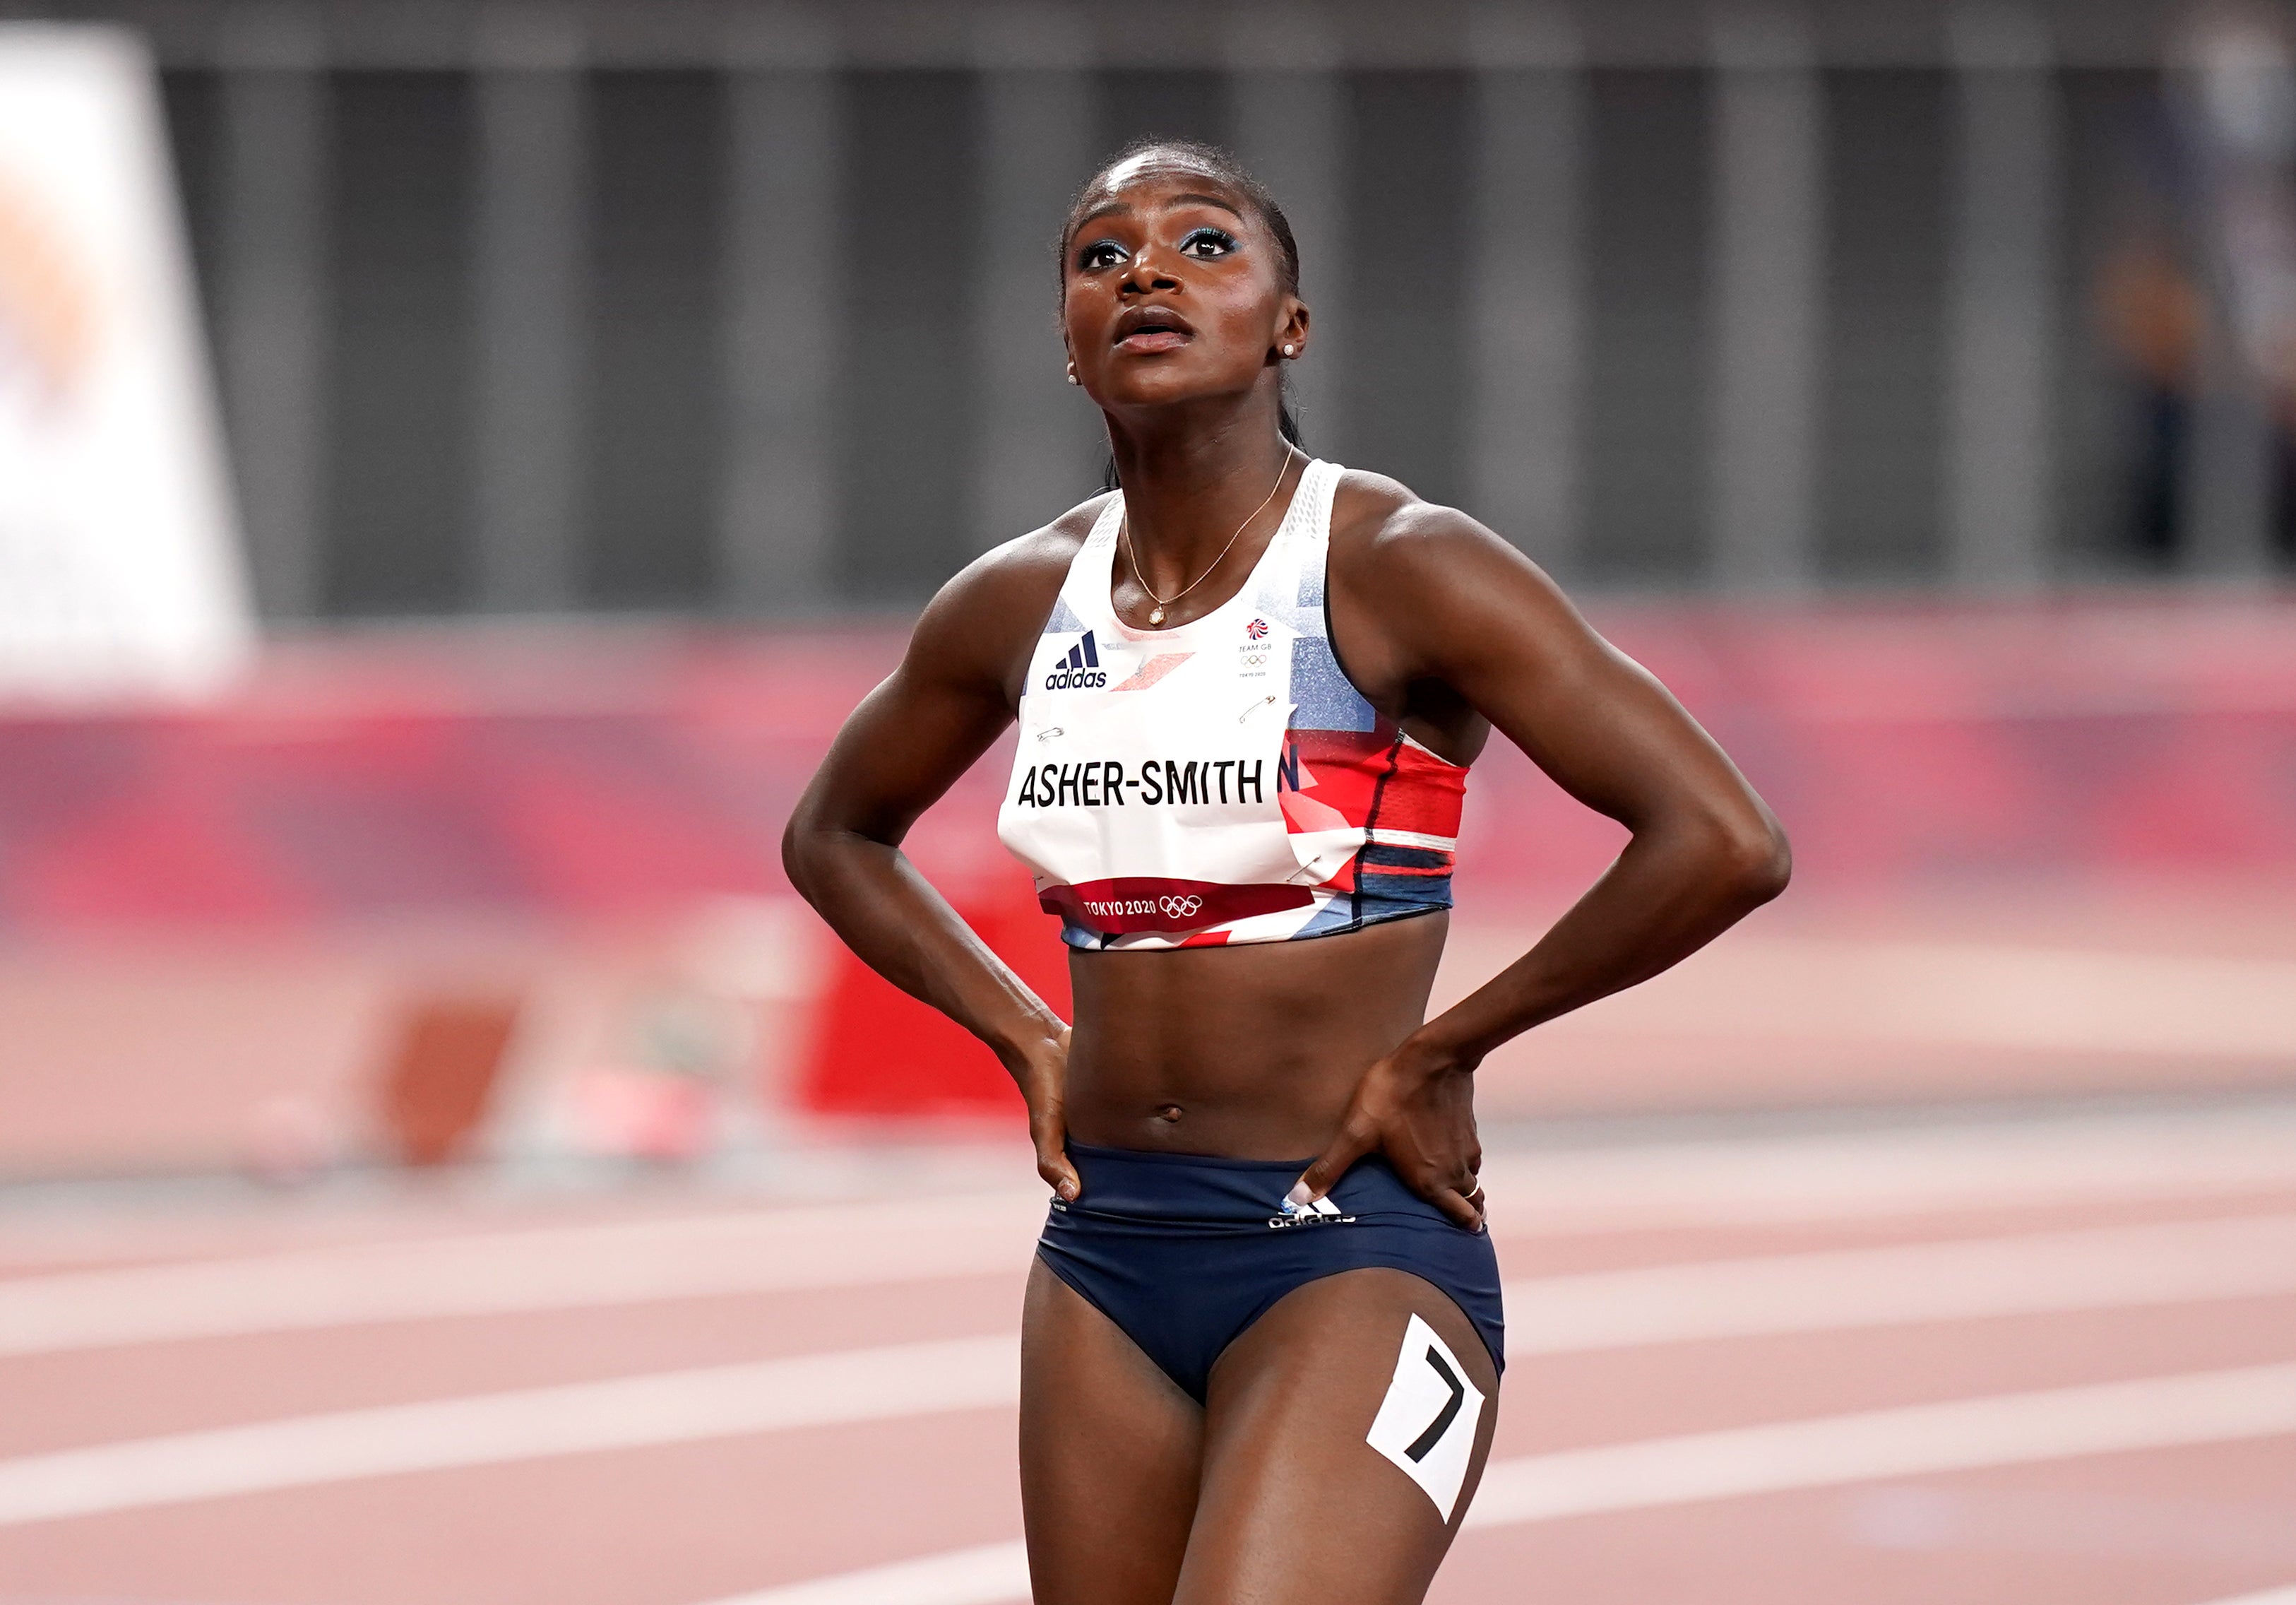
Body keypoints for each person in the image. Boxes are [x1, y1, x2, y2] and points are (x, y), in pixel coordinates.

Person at [783, 138, 1790, 1605]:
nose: (1145, 271)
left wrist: (1449, 1046)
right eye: (1099, 254)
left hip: (1346, 1244)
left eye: (1203, 246)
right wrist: (1023, 1032)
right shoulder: (1019, 598)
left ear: (1289, 325)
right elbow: (834, 833)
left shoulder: (1397, 564)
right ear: (1068, 340)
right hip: (1106, 1251)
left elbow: (1723, 836)